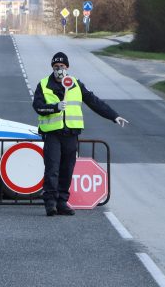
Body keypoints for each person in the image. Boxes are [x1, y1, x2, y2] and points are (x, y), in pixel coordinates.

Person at [32, 52, 128, 216]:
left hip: (71, 133)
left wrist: (114, 116)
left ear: (67, 68)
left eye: (62, 67)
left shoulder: (76, 84)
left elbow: (94, 101)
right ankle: (50, 203)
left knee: (67, 169)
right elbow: (37, 106)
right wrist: (54, 108)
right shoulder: (43, 85)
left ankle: (62, 201)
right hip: (52, 134)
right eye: (56, 67)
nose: (59, 70)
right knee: (52, 169)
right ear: (52, 68)